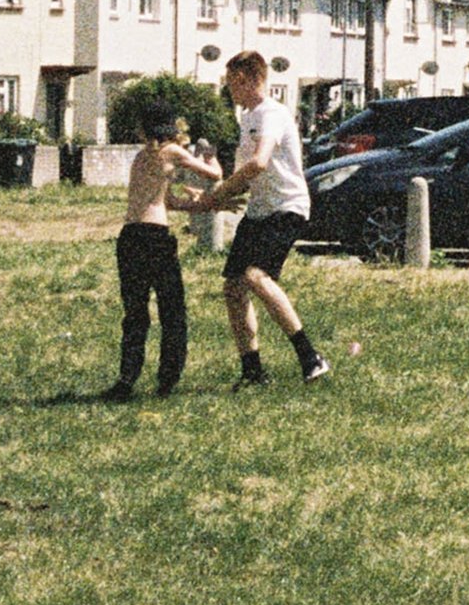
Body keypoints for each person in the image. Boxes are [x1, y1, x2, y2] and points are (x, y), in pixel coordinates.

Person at [191, 53, 329, 388]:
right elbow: (247, 174)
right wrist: (219, 198)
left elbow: (259, 163)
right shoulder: (248, 118)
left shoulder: (272, 114)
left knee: (255, 276)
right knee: (233, 288)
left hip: (287, 207)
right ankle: (253, 372)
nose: (230, 89)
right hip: (259, 211)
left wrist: (221, 192)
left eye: (234, 82)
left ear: (253, 78)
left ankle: (311, 358)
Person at [101, 112, 221, 401]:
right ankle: (168, 378)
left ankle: (126, 378)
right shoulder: (172, 152)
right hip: (156, 238)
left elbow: (166, 202)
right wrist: (211, 156)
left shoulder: (142, 157)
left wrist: (196, 204)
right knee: (172, 310)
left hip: (130, 236)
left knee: (135, 313)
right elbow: (214, 175)